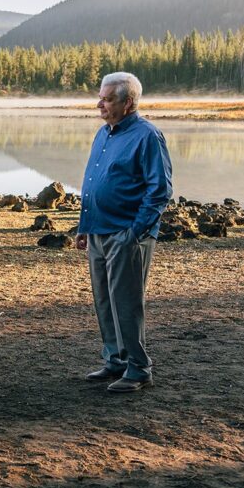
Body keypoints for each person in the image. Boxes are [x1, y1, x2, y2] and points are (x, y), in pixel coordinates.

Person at [75, 72, 172, 394]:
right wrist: (84, 225)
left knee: (126, 303)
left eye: (107, 99)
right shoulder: (103, 134)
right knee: (104, 301)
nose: (99, 104)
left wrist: (135, 232)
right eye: (100, 97)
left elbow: (159, 190)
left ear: (128, 103)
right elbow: (92, 182)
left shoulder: (147, 136)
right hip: (98, 231)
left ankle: (139, 368)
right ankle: (115, 360)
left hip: (127, 234)